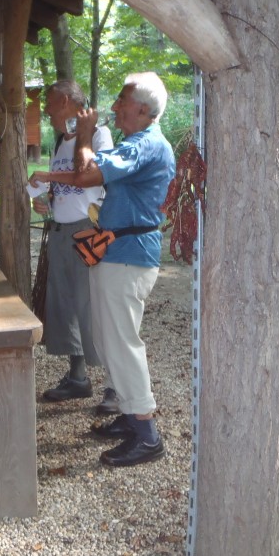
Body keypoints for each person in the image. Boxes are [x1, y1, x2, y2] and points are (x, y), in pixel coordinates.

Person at [30, 72, 175, 468]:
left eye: (122, 101)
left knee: (123, 342)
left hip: (128, 255)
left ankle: (147, 434)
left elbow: (89, 172)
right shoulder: (136, 144)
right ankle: (130, 416)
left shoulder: (146, 145)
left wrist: (88, 134)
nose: (114, 107)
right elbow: (84, 174)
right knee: (110, 339)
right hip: (115, 252)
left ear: (143, 109)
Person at [30, 81, 119, 415]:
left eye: (52, 105)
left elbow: (92, 176)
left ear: (65, 101)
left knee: (93, 306)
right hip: (62, 230)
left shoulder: (98, 135)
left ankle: (114, 385)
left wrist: (51, 179)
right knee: (66, 304)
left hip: (88, 231)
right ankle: (78, 376)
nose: (49, 112)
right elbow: (67, 189)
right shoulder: (61, 141)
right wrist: (48, 202)